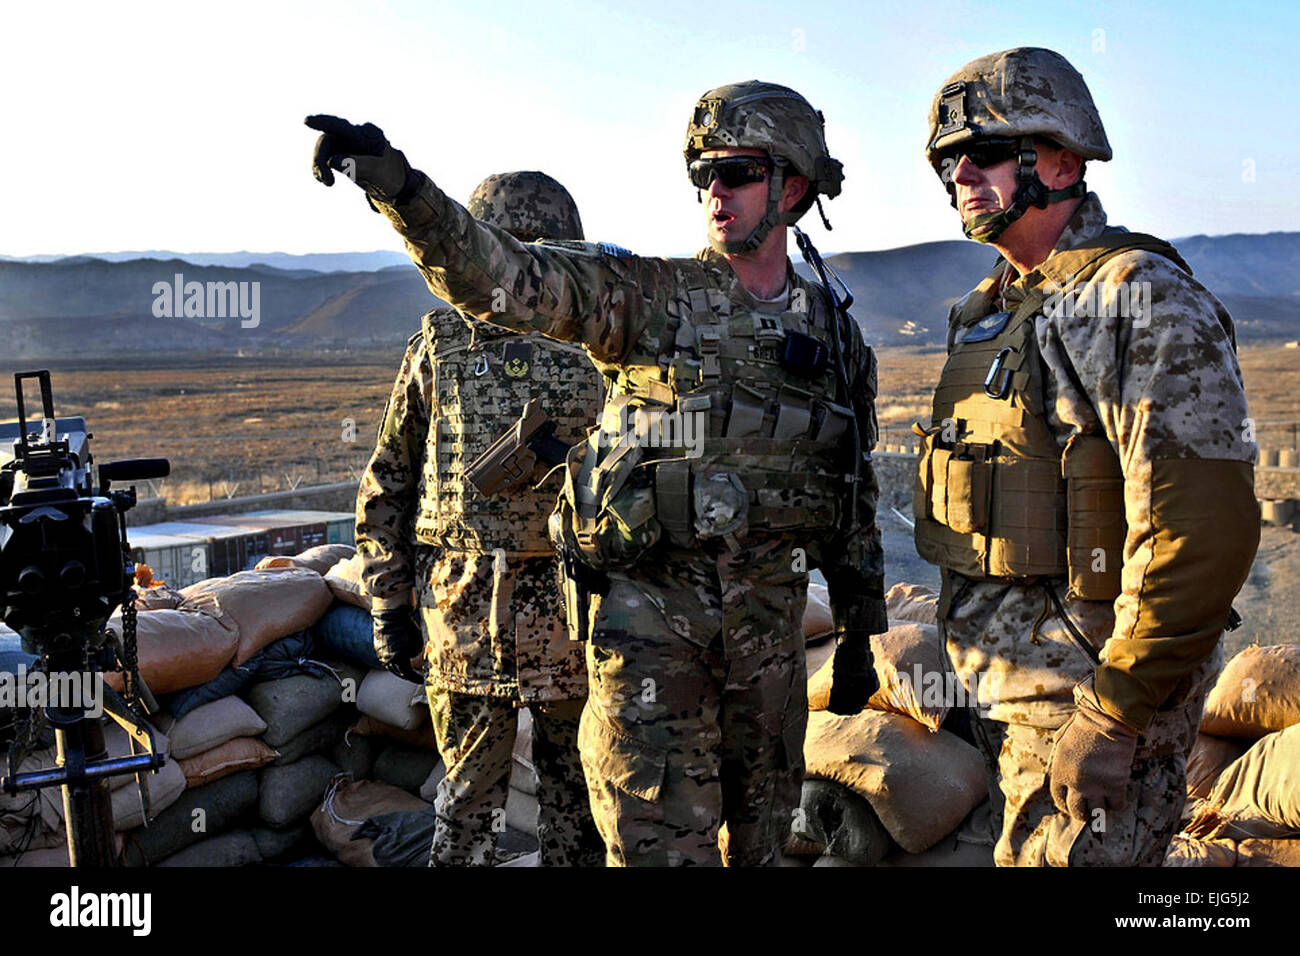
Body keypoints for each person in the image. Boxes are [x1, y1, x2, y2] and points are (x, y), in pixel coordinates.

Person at [307, 79, 888, 866]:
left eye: (739, 171)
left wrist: (857, 628)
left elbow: (852, 493)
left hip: (770, 646)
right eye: (703, 174)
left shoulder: (835, 337)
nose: (716, 190)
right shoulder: (650, 298)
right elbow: (502, 277)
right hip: (651, 643)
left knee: (765, 846)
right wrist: (400, 187)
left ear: (796, 184)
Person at [914, 47, 1259, 866]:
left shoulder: (1134, 295)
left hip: (1095, 708)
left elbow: (1199, 531)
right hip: (1019, 701)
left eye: (987, 152)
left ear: (1062, 160)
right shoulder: (992, 309)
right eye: (947, 161)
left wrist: (1113, 715)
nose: (962, 173)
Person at [354, 170, 605, 867]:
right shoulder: (442, 340)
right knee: (471, 809)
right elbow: (392, 475)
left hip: (564, 617)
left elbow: (637, 481)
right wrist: (386, 599)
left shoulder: (602, 342)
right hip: (471, 619)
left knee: (571, 807)